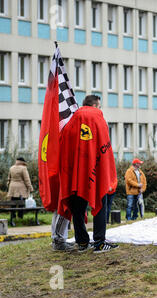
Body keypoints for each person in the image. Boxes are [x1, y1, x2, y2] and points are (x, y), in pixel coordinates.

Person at [58, 95, 118, 253]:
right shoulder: (97, 117)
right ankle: (99, 242)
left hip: (76, 174)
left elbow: (65, 146)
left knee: (77, 208)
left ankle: (82, 242)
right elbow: (104, 146)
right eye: (100, 106)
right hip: (94, 171)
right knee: (100, 199)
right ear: (96, 105)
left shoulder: (72, 120)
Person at [7, 157, 34, 226]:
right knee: (21, 204)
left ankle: (13, 217)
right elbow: (27, 180)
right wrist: (30, 188)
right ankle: (20, 217)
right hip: (21, 189)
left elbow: (8, 179)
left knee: (13, 203)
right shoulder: (23, 168)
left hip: (12, 188)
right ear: (23, 162)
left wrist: (9, 186)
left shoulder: (11, 168)